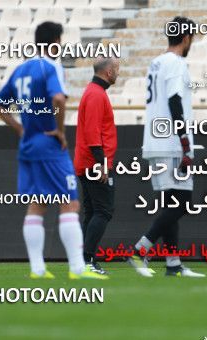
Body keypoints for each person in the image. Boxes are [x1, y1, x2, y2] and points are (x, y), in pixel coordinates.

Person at [0, 21, 107, 280]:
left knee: (38, 204)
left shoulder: (21, 69)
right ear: (55, 41)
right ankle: (78, 268)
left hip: (28, 145)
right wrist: (60, 131)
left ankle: (37, 269)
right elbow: (57, 98)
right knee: (70, 202)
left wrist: (20, 129)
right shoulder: (51, 66)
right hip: (49, 145)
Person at [128, 16, 205, 277]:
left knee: (169, 204)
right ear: (186, 38)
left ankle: (173, 264)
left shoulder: (156, 62)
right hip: (171, 143)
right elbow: (174, 102)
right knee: (182, 202)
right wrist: (184, 143)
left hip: (153, 141)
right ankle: (141, 249)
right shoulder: (177, 63)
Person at [74, 57, 119, 275]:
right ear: (108, 72)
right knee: (103, 211)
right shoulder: (95, 94)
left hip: (89, 162)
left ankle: (83, 262)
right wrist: (102, 164)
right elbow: (93, 133)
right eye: (117, 69)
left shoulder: (94, 92)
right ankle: (87, 261)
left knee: (93, 212)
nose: (118, 74)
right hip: (94, 163)